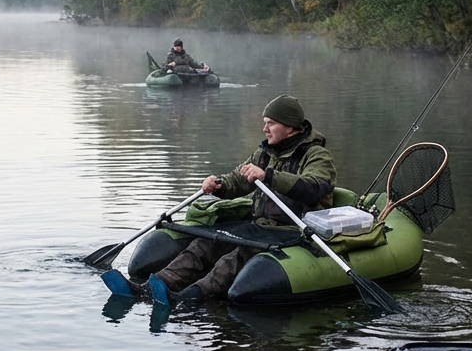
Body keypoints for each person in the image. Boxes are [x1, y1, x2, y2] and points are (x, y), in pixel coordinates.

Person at [103, 94, 335, 304]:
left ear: (290, 127)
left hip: (293, 229)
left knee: (236, 257)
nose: (264, 129)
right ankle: (153, 286)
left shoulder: (317, 155)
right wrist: (219, 185)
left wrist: (269, 176)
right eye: (265, 122)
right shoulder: (265, 153)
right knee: (205, 244)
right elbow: (238, 180)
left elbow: (314, 188)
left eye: (271, 123)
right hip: (260, 226)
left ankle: (188, 297)